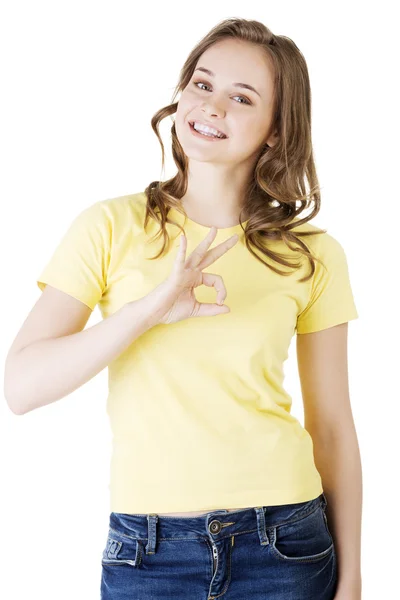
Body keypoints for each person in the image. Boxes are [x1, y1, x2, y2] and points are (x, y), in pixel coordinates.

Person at [4, 17, 362, 600]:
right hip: (147, 552)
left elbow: (332, 427)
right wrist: (148, 310)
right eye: (202, 84)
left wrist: (351, 578)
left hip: (286, 543)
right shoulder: (111, 226)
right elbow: (21, 387)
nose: (212, 106)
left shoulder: (312, 255)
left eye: (241, 97)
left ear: (276, 130)